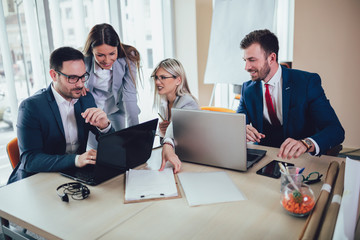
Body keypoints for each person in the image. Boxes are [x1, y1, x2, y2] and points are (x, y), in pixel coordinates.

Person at [8, 47, 113, 184]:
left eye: (83, 76)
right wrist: (77, 160)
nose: (81, 84)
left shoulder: (85, 99)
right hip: (36, 180)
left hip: (73, 176)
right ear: (54, 75)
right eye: (73, 78)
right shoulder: (31, 107)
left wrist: (104, 126)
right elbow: (30, 160)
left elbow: (113, 146)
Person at [237, 29, 344, 159]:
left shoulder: (306, 83)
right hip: (264, 157)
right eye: (245, 60)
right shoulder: (247, 89)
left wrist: (306, 143)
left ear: (271, 58)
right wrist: (241, 129)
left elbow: (335, 130)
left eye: (252, 60)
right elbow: (238, 123)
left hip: (301, 158)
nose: (247, 67)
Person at [82, 23, 141, 149]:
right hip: (93, 112)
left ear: (117, 48)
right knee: (96, 151)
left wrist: (135, 134)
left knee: (120, 147)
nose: (107, 60)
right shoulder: (82, 61)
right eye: (100, 55)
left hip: (115, 109)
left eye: (112, 54)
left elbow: (129, 96)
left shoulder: (127, 59)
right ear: (92, 52)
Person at [151, 58, 199, 173]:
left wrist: (167, 138)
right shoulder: (164, 102)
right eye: (156, 77)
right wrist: (163, 133)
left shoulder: (188, 103)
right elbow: (171, 136)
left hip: (191, 159)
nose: (157, 82)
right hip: (176, 158)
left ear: (178, 80)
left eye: (163, 77)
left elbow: (176, 140)